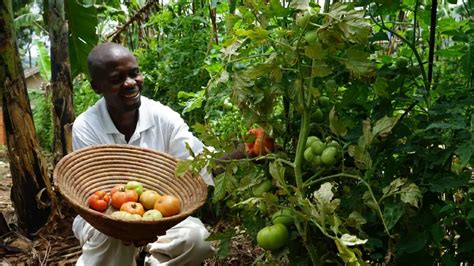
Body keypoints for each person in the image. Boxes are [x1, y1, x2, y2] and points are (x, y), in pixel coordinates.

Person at [71, 42, 216, 266]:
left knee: (198, 240)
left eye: (134, 73)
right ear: (96, 87)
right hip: (105, 220)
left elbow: (196, 162)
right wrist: (128, 227)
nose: (130, 83)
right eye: (117, 79)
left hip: (158, 216)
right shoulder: (87, 126)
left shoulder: (163, 117)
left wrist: (243, 152)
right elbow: (93, 195)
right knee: (113, 240)